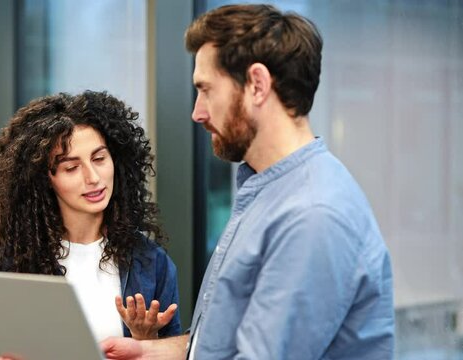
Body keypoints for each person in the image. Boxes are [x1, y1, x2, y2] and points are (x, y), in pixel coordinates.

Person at [101, 4, 394, 359]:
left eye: (206, 89)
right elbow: (229, 340)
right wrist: (150, 352)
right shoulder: (268, 191)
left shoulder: (312, 215)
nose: (197, 112)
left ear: (257, 85)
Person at [0, 90, 181, 344]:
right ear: (44, 181)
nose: (93, 178)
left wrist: (145, 339)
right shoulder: (13, 261)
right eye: (71, 168)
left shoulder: (151, 262)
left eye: (99, 158)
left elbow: (174, 350)